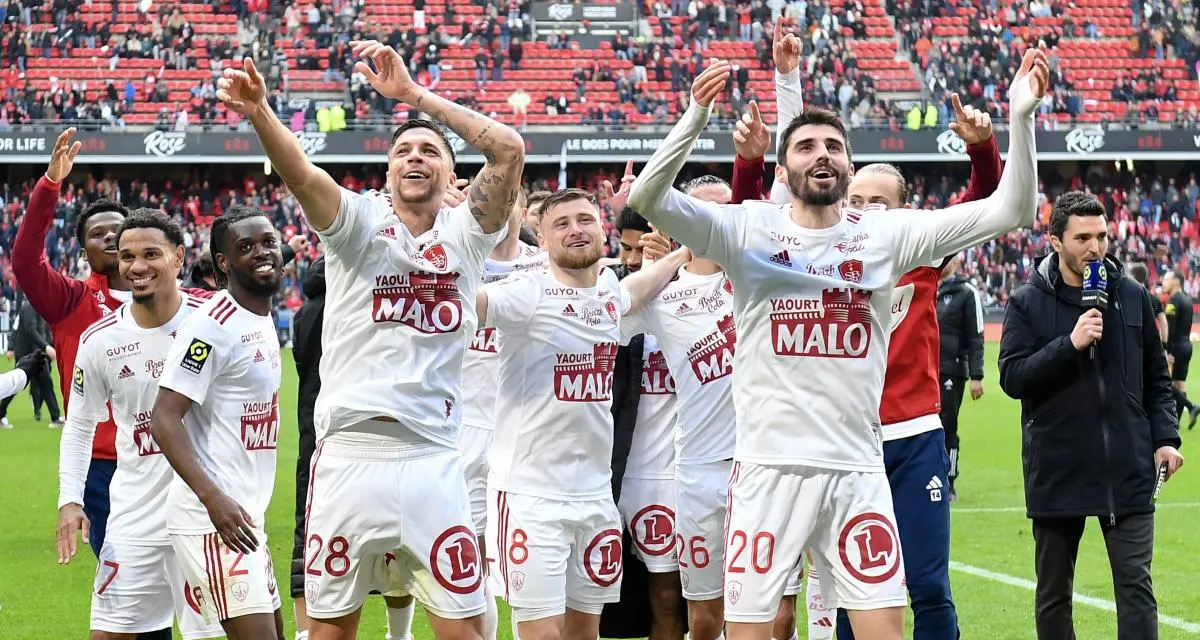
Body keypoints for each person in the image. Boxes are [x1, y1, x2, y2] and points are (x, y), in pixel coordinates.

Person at [627, 46, 1046, 640]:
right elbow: (647, 199)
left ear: (848, 167)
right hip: (768, 472)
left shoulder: (885, 235)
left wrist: (1020, 116)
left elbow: (1014, 207)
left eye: (833, 146)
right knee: (750, 631)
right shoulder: (748, 230)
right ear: (785, 167)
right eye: (805, 146)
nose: (821, 154)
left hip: (857, 471)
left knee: (883, 632)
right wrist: (694, 118)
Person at [218, 36, 525, 640]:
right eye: (404, 150)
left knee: (465, 630)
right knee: (331, 629)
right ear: (387, 172)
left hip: (436, 458)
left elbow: (510, 150)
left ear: (449, 172)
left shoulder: (466, 238)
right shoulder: (357, 225)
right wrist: (259, 112)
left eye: (430, 151)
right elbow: (301, 172)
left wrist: (414, 97)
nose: (416, 157)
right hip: (349, 456)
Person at [729, 23, 1003, 637]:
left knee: (926, 584)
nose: (870, 210)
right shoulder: (815, 250)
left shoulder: (918, 253)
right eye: (862, 198)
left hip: (909, 429)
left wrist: (986, 148)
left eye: (885, 202)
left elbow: (986, 202)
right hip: (832, 438)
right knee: (832, 591)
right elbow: (755, 219)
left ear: (906, 212)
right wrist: (774, 109)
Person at [476, 187, 686, 640]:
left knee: (584, 633)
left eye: (585, 220)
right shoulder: (526, 292)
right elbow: (472, 305)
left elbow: (630, 294)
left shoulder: (608, 292)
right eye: (561, 223)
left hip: (594, 498)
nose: (576, 230)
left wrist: (680, 254)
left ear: (602, 230)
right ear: (542, 239)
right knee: (541, 634)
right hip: (531, 497)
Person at [997, 191, 1184, 640]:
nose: (1095, 247)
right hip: (1058, 468)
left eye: (1101, 236)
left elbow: (1157, 380)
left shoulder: (1133, 296)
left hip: (1127, 468)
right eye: (1082, 238)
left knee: (1137, 591)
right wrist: (1070, 345)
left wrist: (1166, 439)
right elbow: (1012, 377)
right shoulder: (1027, 301)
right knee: (1055, 596)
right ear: (1055, 241)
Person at [55, 210, 222, 640]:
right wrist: (69, 499)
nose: (137, 266)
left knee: (217, 634)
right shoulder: (101, 341)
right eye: (128, 256)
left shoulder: (216, 320)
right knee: (108, 632)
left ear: (179, 256)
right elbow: (78, 427)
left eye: (151, 254)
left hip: (207, 515)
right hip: (134, 517)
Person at [150, 208, 286, 639]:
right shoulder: (212, 327)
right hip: (213, 520)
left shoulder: (260, 317)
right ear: (223, 263)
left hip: (247, 517)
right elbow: (164, 419)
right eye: (245, 247)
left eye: (268, 242)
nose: (262, 253)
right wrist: (213, 499)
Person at [13, 128, 132, 562]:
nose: (110, 238)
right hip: (100, 466)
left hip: (164, 461)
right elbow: (26, 261)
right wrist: (49, 185)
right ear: (84, 252)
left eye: (119, 230)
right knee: (121, 584)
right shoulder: (72, 302)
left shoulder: (167, 303)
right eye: (98, 234)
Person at [458, 192, 547, 640]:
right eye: (491, 198)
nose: (500, 207)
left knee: (524, 561)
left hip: (526, 431)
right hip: (463, 429)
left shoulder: (546, 265)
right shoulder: (456, 259)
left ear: (524, 210)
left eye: (510, 200)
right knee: (469, 558)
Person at [935, 255, 986, 500]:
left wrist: (977, 375)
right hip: (925, 368)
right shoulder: (926, 286)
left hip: (951, 370)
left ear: (956, 263)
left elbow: (976, 336)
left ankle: (949, 480)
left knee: (947, 426)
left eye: (949, 259)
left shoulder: (966, 293)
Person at [7, 294, 62, 425]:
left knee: (45, 384)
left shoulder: (35, 307)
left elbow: (43, 331)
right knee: (17, 385)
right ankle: (54, 418)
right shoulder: (30, 307)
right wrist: (47, 346)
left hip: (35, 353)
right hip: (28, 354)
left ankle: (55, 418)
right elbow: (31, 330)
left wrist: (49, 345)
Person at [1161, 270, 1197, 428]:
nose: (1163, 282)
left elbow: (1170, 328)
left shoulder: (1173, 301)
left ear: (1176, 281)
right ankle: (1179, 420)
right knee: (1179, 384)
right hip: (1187, 345)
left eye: (1167, 279)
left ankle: (1190, 407)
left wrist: (1168, 351)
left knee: (1169, 384)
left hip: (1176, 346)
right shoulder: (1187, 299)